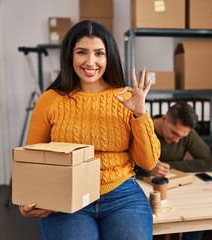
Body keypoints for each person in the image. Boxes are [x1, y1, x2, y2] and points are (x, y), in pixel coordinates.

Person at [18, 20, 161, 240]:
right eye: (82, 52)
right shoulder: (50, 100)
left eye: (99, 53)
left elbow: (149, 162)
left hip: (121, 194)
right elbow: (32, 159)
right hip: (64, 195)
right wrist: (26, 200)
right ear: (70, 56)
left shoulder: (127, 98)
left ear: (108, 57)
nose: (90, 61)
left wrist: (140, 114)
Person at [151, 101, 212, 240]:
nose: (177, 140)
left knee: (197, 216)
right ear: (165, 117)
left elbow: (208, 162)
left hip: (173, 189)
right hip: (144, 189)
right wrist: (148, 167)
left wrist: (170, 166)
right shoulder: (143, 127)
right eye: (174, 133)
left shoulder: (185, 133)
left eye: (182, 137)